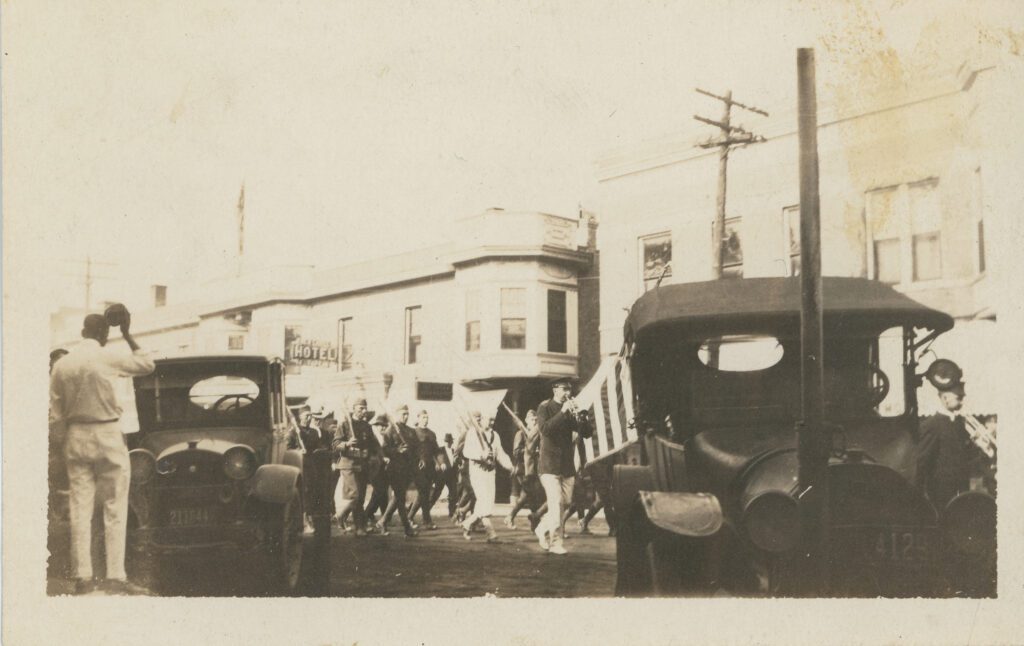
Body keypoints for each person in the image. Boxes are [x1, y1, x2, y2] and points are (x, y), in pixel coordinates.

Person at [49, 311, 155, 594]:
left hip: (75, 435)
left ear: (84, 331)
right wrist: (128, 334)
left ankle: (82, 577)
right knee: (114, 506)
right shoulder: (108, 356)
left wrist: (61, 449)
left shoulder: (62, 365)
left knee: (80, 508)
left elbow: (56, 416)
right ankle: (115, 576)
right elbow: (147, 364)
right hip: (107, 432)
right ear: (103, 334)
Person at [535, 376, 593, 555]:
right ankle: (555, 543)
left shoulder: (570, 410)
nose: (568, 393)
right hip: (549, 465)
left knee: (566, 502)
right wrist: (563, 413)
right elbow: (545, 430)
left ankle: (541, 527)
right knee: (557, 503)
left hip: (566, 465)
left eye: (570, 390)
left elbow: (586, 434)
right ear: (555, 390)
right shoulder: (544, 407)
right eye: (564, 389)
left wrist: (582, 418)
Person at [916, 381, 979, 510]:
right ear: (945, 398)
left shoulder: (959, 423)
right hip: (940, 494)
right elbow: (922, 462)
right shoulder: (932, 424)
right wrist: (920, 495)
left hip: (961, 490)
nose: (962, 400)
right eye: (959, 397)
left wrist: (974, 444)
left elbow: (965, 457)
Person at [460, 414, 513, 542]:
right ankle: (491, 534)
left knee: (487, 503)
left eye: (493, 420)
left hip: (490, 472)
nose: (491, 422)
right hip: (478, 472)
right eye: (489, 419)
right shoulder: (473, 433)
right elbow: (466, 451)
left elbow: (500, 453)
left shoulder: (495, 435)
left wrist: (510, 466)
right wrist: (481, 455)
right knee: (484, 501)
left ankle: (468, 524)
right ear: (482, 419)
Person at [332, 398, 379, 537]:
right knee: (355, 495)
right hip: (349, 464)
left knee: (361, 497)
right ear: (353, 409)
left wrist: (372, 454)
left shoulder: (366, 426)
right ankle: (348, 520)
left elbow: (372, 445)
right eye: (360, 409)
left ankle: (353, 523)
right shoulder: (345, 424)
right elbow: (335, 444)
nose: (363, 411)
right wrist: (347, 443)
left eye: (365, 408)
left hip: (362, 464)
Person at [378, 405, 419, 537]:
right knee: (400, 498)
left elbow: (415, 448)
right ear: (396, 414)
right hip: (395, 469)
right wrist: (397, 451)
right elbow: (384, 449)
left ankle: (383, 521)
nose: (405, 416)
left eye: (407, 414)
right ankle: (406, 528)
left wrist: (416, 459)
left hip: (407, 469)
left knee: (398, 498)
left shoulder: (411, 431)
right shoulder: (391, 430)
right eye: (403, 414)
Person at [505, 409, 544, 530]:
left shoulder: (537, 433)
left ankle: (533, 522)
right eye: (532, 419)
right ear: (526, 420)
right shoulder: (521, 434)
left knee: (531, 495)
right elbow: (516, 452)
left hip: (534, 469)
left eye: (535, 420)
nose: (534, 422)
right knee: (527, 495)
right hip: (523, 469)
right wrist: (530, 449)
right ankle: (511, 517)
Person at [407, 410, 441, 529]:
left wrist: (438, 463)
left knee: (424, 494)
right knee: (423, 494)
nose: (425, 420)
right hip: (418, 467)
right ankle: (426, 521)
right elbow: (411, 451)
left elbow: (435, 451)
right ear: (418, 418)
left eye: (427, 417)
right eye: (423, 417)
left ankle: (410, 517)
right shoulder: (413, 433)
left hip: (430, 468)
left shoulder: (432, 434)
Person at [428, 432, 460, 519]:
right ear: (444, 442)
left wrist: (457, 463)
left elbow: (456, 462)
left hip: (452, 475)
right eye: (446, 441)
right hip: (441, 475)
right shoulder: (440, 450)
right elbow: (434, 457)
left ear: (452, 442)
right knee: (436, 493)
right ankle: (426, 512)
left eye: (449, 441)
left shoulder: (454, 451)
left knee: (453, 494)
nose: (448, 443)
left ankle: (452, 512)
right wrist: (439, 464)